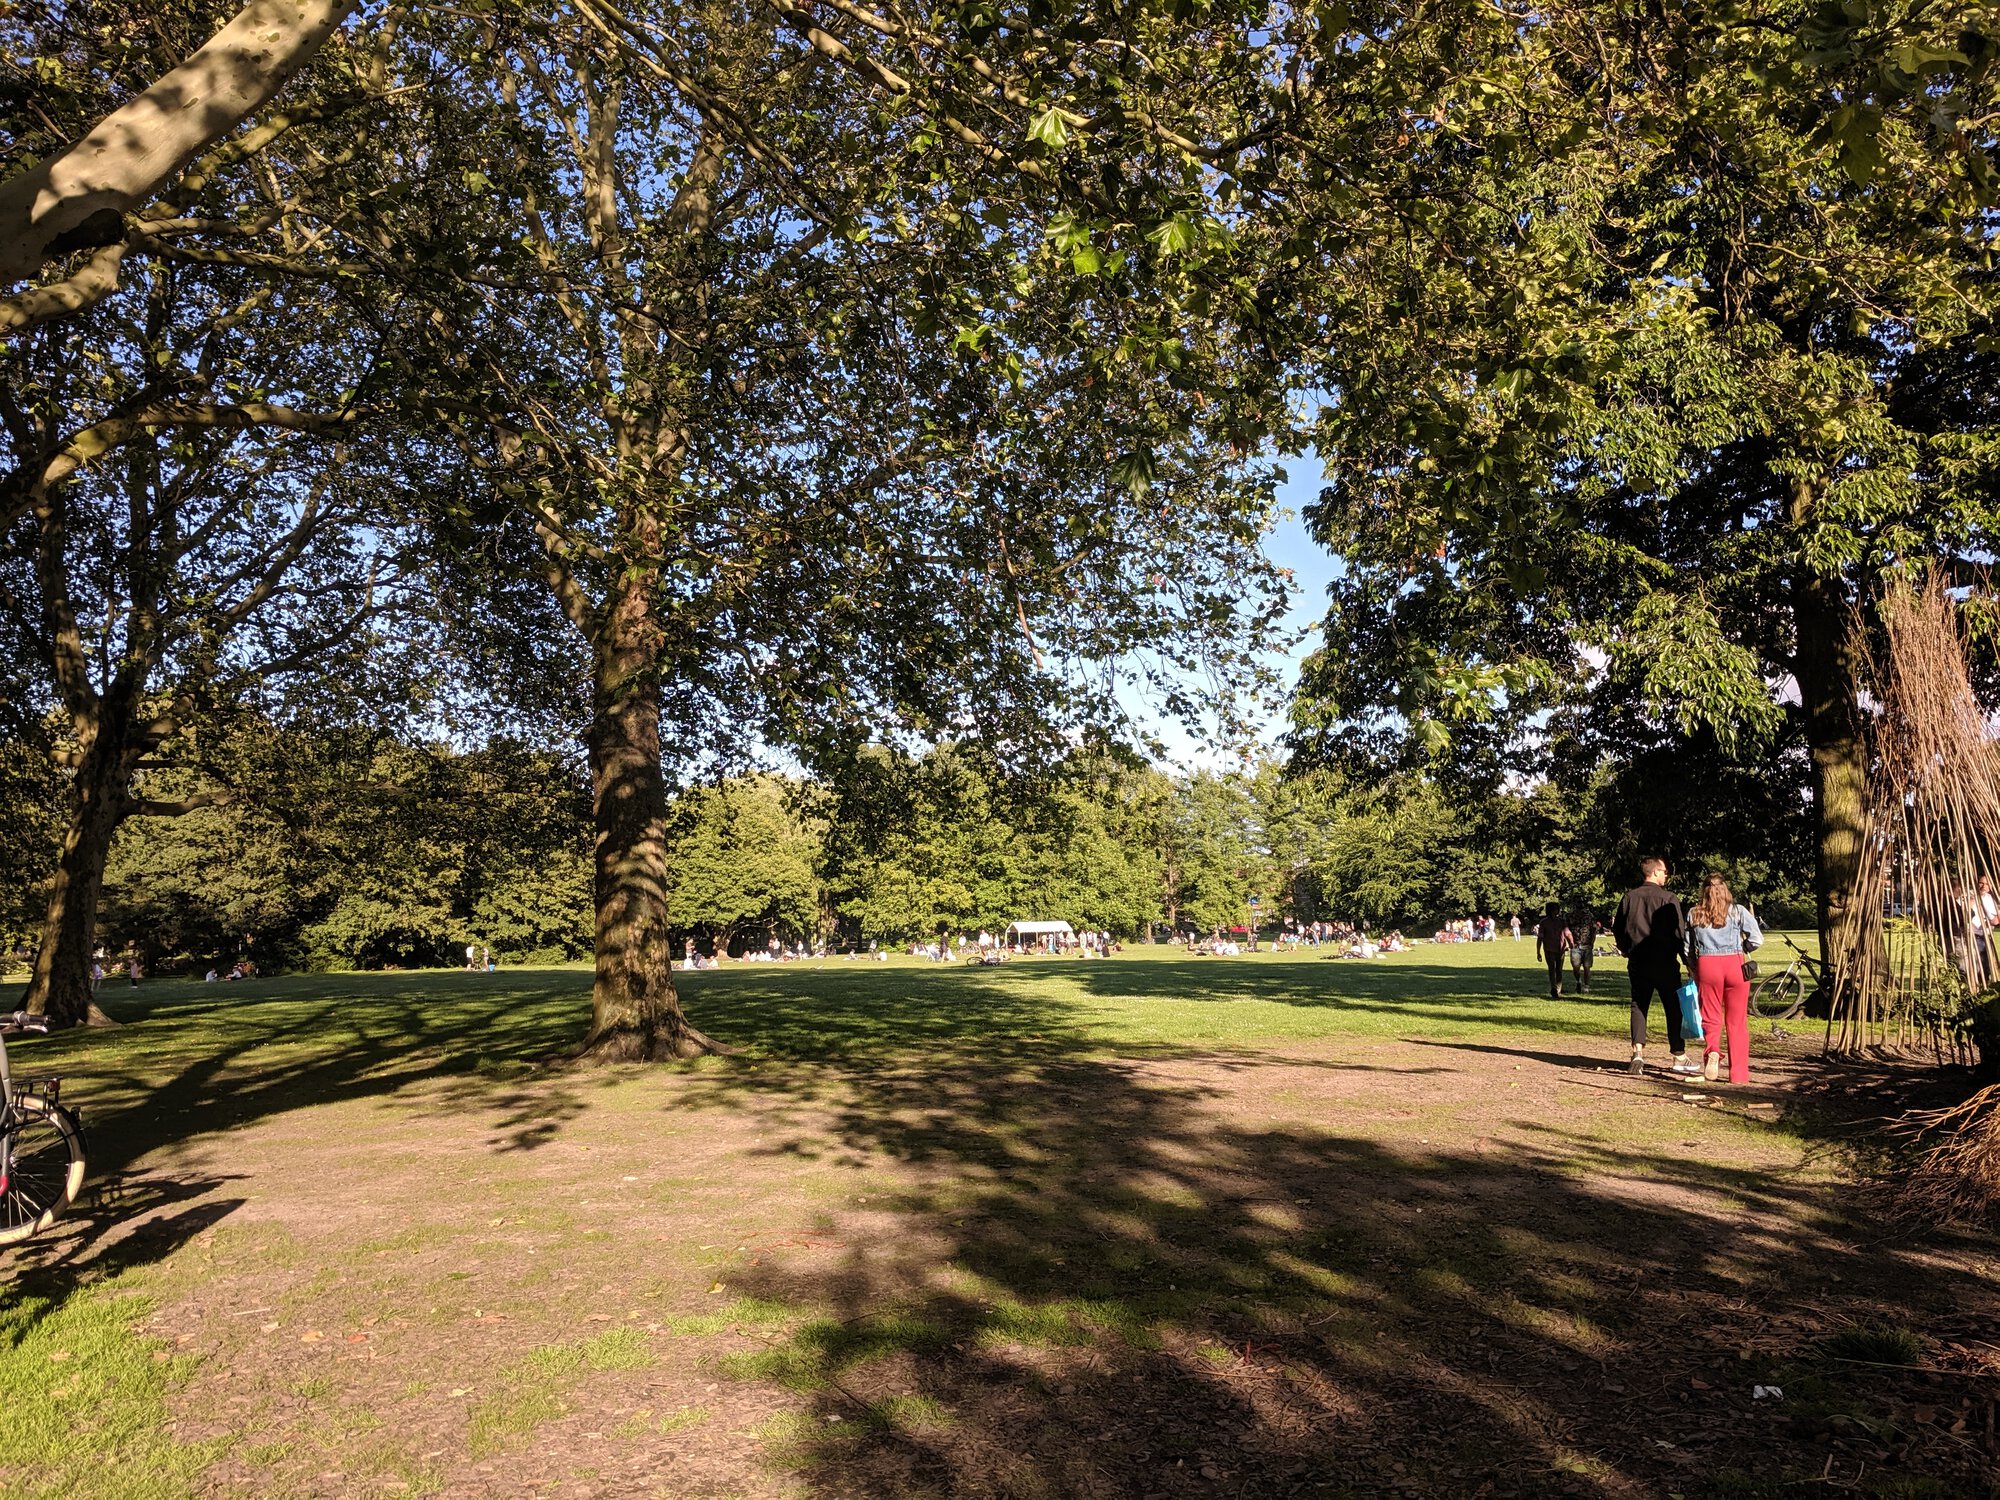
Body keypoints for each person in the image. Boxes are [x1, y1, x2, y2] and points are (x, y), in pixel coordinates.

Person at [1613, 858, 1693, 1076]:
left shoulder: (1629, 898)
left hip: (1638, 961)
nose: (1666, 875)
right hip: (1665, 962)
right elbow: (1679, 933)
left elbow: (1618, 927)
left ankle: (1637, 1052)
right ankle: (1678, 1055)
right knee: (1672, 1008)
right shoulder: (1668, 899)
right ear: (1656, 872)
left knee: (1639, 1006)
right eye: (1665, 871)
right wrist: (1686, 961)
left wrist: (1625, 949)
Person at [1687, 872, 1763, 1083]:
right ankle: (1738, 1074)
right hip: (1735, 964)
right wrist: (1742, 947)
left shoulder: (1694, 913)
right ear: (1726, 890)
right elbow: (1757, 939)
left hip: (1708, 965)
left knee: (1711, 1016)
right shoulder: (1738, 911)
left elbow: (1687, 948)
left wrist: (1693, 968)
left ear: (1704, 891)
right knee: (1737, 1021)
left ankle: (1712, 1050)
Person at [1534, 902, 1570, 999]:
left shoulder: (1544, 922)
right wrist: (1571, 944)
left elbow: (1540, 938)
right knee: (1558, 969)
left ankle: (1555, 987)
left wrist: (1538, 951)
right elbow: (1567, 934)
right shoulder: (1560, 921)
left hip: (1552, 949)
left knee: (1553, 969)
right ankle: (1557, 988)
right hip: (1557, 949)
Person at [1568, 910, 1597, 994]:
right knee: (1575, 966)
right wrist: (1570, 942)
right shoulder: (1570, 916)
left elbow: (1593, 930)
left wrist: (1592, 942)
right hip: (1575, 946)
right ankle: (1578, 981)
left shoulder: (1589, 916)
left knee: (1587, 967)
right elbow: (1567, 930)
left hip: (1587, 945)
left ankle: (1586, 987)